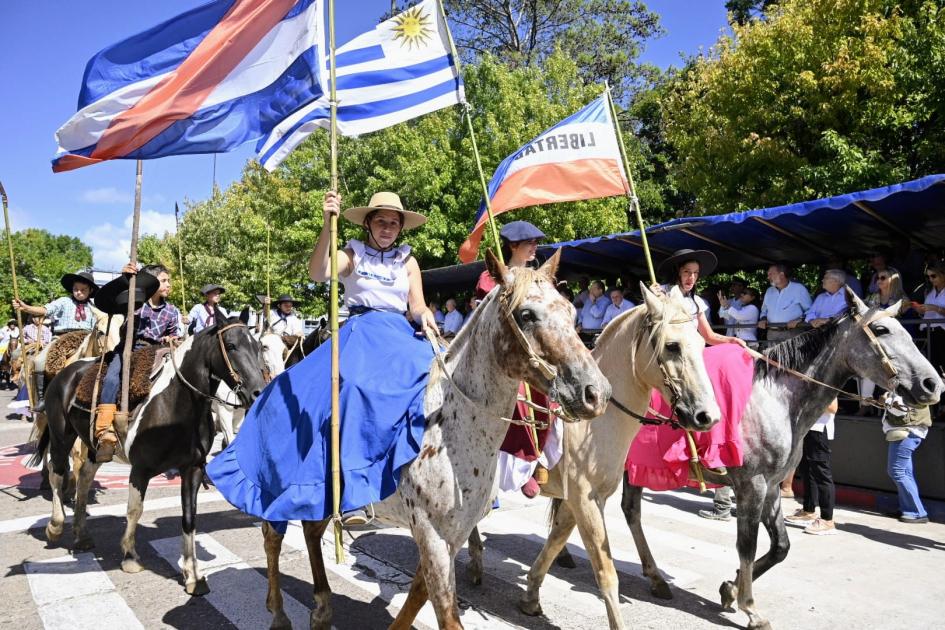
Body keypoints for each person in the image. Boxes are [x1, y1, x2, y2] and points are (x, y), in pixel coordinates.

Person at [207, 190, 438, 529]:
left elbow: (415, 303)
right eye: (381, 221)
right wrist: (327, 224)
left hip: (400, 333)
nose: (388, 227)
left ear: (401, 228)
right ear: (369, 224)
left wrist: (424, 315)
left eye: (394, 223)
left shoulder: (408, 260)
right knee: (355, 388)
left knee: (446, 371)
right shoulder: (354, 253)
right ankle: (352, 493)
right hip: (363, 331)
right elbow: (320, 272)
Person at [474, 220, 562, 498]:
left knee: (549, 397)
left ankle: (538, 458)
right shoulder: (489, 278)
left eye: (536, 242)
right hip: (501, 353)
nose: (535, 247)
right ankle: (519, 466)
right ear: (513, 246)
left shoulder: (538, 277)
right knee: (518, 403)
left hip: (533, 350)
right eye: (530, 243)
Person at [93, 264, 177, 462]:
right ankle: (105, 431)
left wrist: (171, 338)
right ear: (153, 284)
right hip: (130, 348)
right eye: (164, 281)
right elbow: (109, 298)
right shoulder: (135, 302)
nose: (168, 284)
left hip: (159, 351)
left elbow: (174, 334)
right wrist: (125, 278)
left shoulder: (172, 311)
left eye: (168, 281)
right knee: (112, 378)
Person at [657, 249, 747, 348]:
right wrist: (654, 298)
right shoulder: (660, 293)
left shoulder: (697, 302)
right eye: (687, 271)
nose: (692, 277)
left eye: (696, 273)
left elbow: (709, 336)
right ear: (677, 272)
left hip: (691, 353)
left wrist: (731, 340)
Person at [785, 398, 839, 536]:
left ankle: (827, 520)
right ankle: (809, 511)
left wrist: (807, 399)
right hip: (807, 427)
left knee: (822, 473)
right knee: (807, 470)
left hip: (819, 429)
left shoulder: (826, 379)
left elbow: (833, 407)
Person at [881, 393, 931, 524]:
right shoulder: (912, 385)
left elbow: (901, 410)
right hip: (907, 431)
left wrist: (886, 401)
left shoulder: (907, 387)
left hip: (906, 431)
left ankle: (917, 512)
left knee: (896, 471)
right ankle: (908, 509)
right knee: (905, 473)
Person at [12, 270, 99, 334]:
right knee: (40, 359)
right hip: (62, 338)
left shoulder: (93, 307)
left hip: (86, 340)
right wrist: (26, 308)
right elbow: (45, 310)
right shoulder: (64, 301)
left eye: (83, 290)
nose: (79, 292)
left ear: (90, 290)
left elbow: (97, 327)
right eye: (76, 289)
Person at [758, 263, 812, 342]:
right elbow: (764, 311)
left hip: (792, 332)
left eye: (771, 274)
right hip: (772, 333)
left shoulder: (798, 289)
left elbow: (810, 310)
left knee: (793, 354)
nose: (768, 277)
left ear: (782, 275)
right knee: (772, 354)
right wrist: (763, 319)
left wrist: (799, 320)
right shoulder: (769, 291)